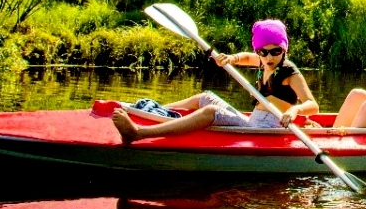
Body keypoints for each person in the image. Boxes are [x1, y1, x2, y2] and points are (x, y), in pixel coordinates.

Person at [112, 19, 319, 143]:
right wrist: (232, 58)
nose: (269, 56)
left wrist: (295, 111)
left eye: (276, 51)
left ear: (284, 50)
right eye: (263, 52)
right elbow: (247, 57)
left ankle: (139, 133)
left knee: (212, 112)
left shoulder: (290, 72)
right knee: (205, 97)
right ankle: (150, 113)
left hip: (266, 130)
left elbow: (313, 105)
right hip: (253, 121)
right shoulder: (264, 61)